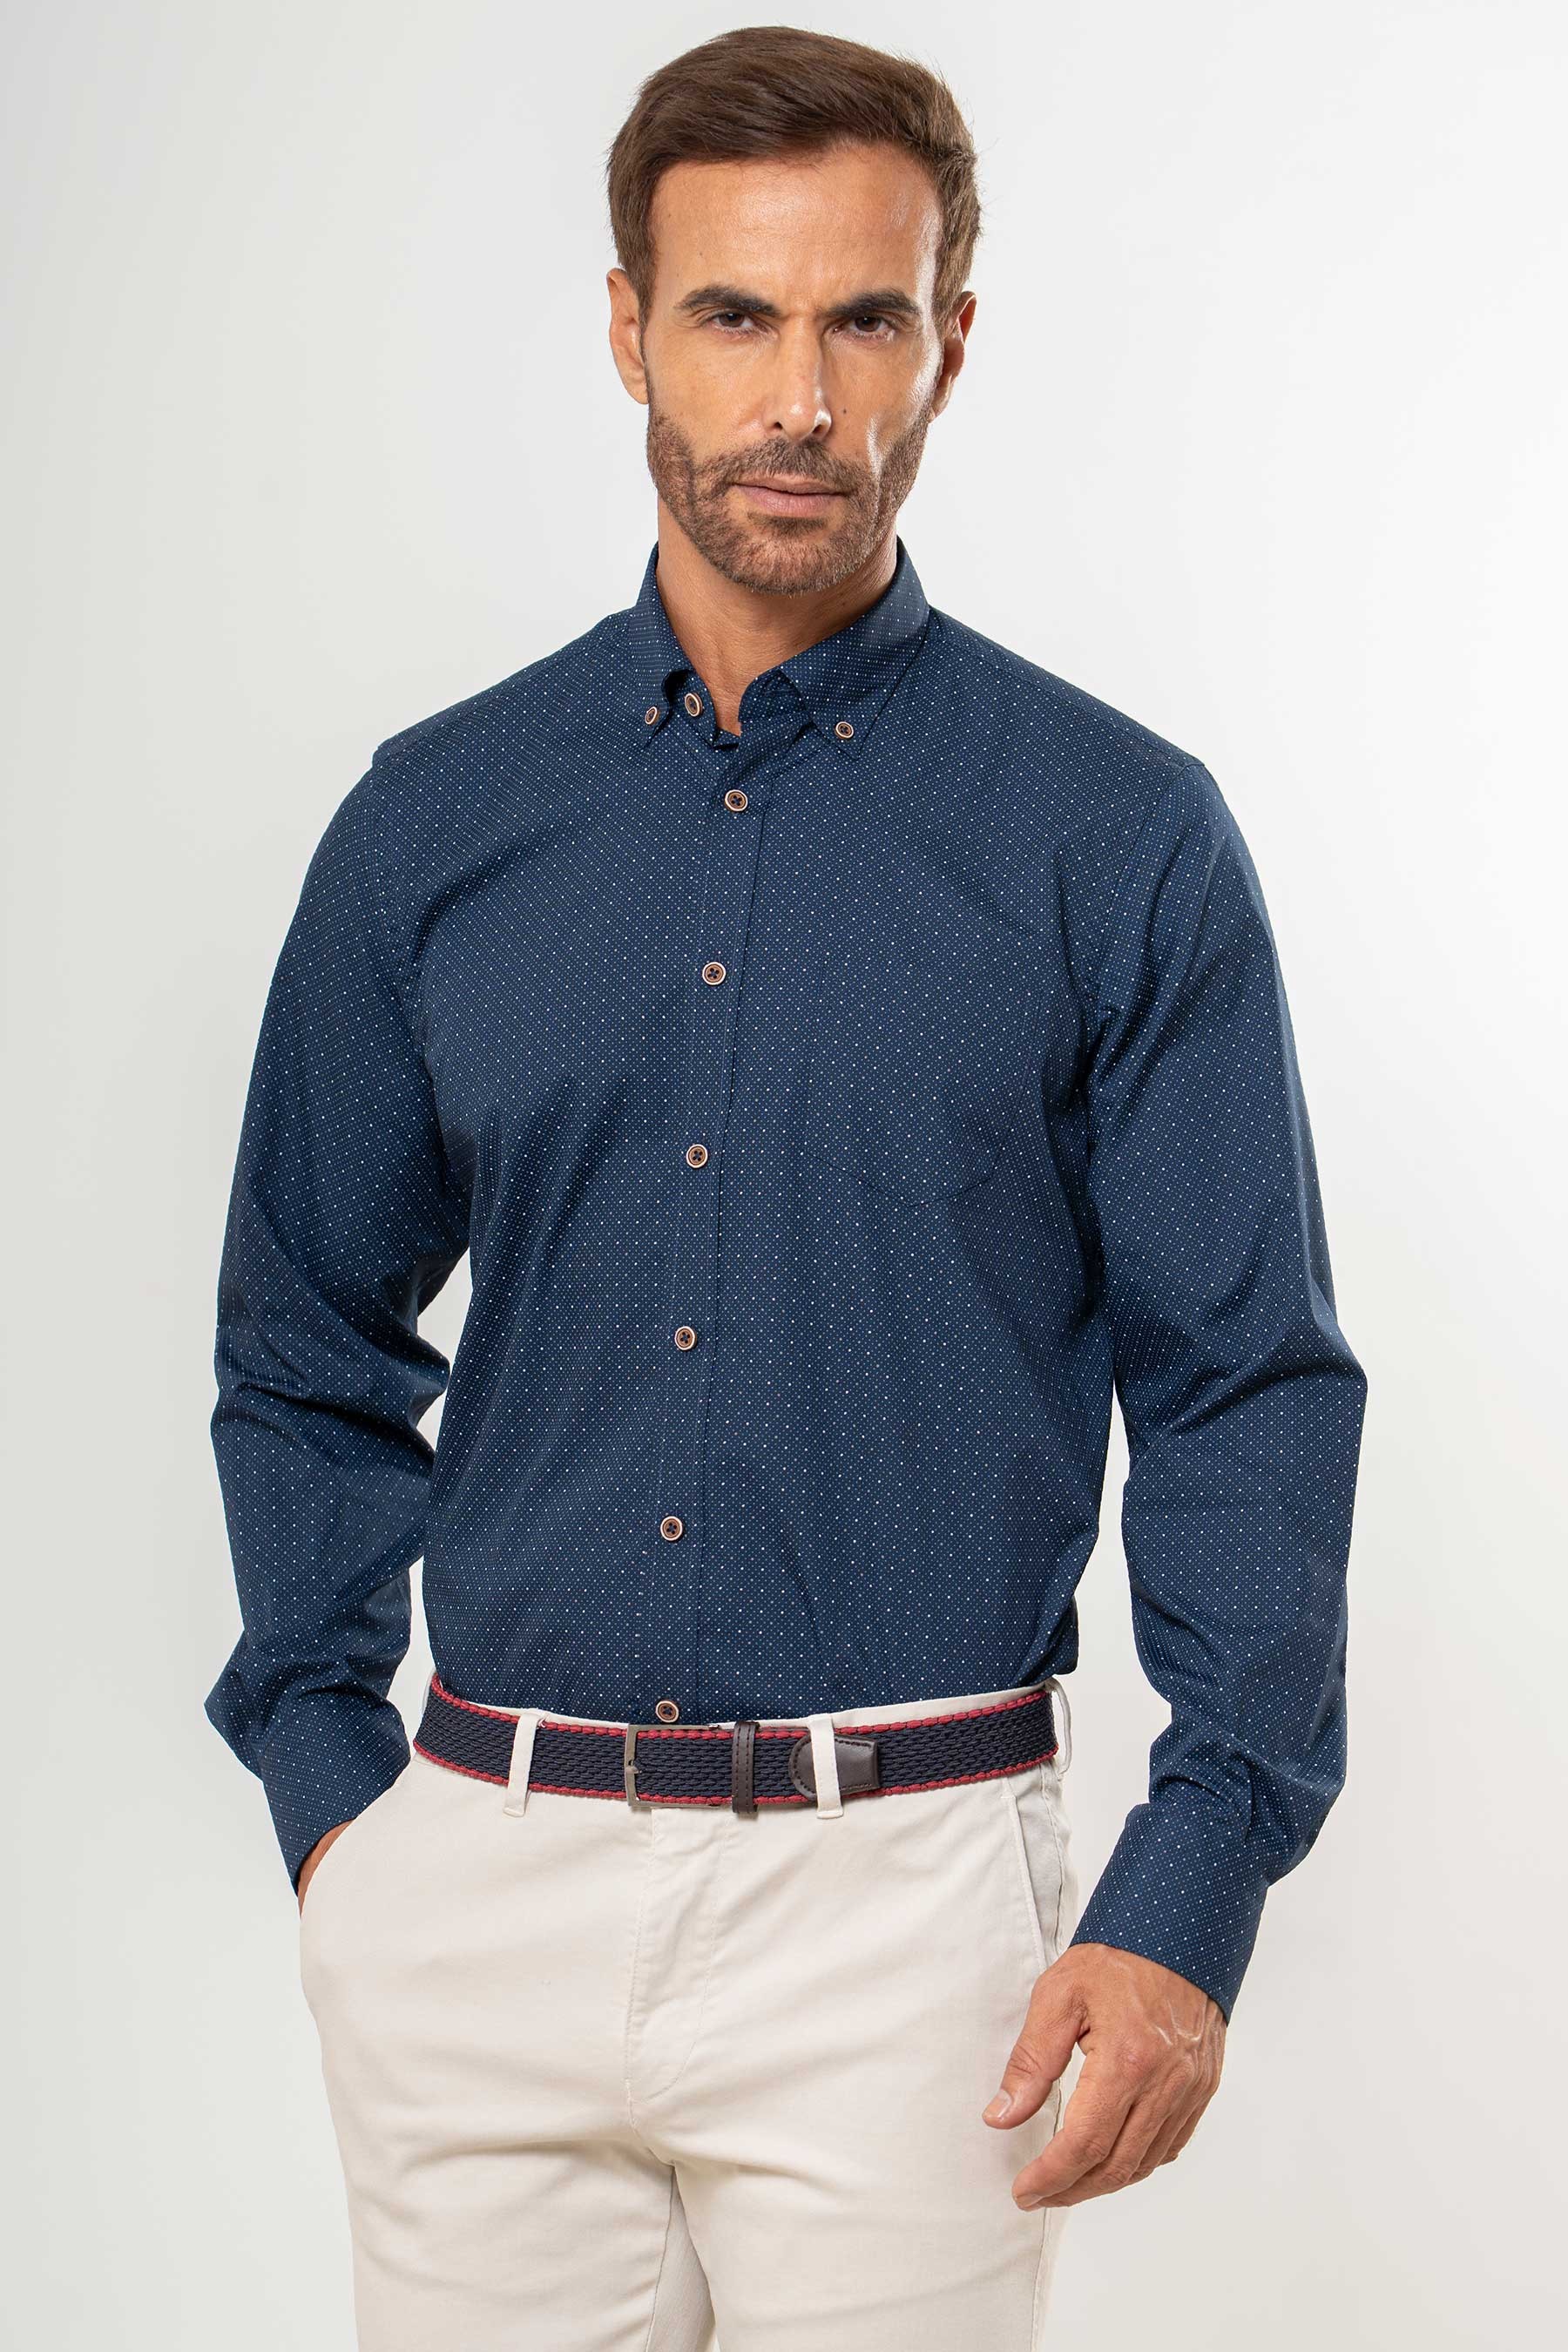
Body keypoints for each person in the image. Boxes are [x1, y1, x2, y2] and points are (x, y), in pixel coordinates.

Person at [204, 24, 1367, 2350]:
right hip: (477, 1898)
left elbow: (1243, 1380)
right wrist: (341, 1798)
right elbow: (300, 1339)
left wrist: (1196, 1877)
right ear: (628, 327)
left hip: (908, 1913)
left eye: (866, 320)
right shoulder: (435, 826)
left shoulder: (1115, 836)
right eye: (735, 315)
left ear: (954, 340)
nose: (802, 402)